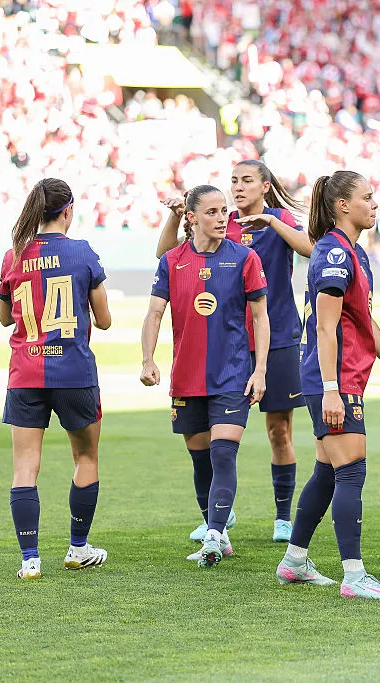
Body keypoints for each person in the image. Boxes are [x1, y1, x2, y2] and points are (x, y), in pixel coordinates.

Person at [276, 170, 380, 599]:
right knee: (351, 471)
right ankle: (354, 575)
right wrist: (330, 388)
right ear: (343, 205)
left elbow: (363, 320)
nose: (375, 204)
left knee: (327, 471)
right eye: (368, 197)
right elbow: (324, 328)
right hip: (333, 377)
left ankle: (295, 561)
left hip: (345, 375)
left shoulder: (354, 254)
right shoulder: (335, 254)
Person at [157, 160, 311, 544]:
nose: (238, 188)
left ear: (265, 186)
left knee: (279, 429)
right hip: (226, 344)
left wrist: (273, 224)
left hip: (277, 339)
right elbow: (165, 256)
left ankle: (282, 517)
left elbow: (311, 249)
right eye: (234, 181)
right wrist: (178, 218)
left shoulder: (280, 220)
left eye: (247, 181)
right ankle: (217, 515)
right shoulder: (223, 224)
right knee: (212, 438)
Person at [141, 184, 271, 568]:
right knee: (201, 461)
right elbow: (153, 314)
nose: (221, 218)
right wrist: (147, 359)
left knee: (222, 452)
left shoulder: (245, 258)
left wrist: (260, 369)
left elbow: (262, 318)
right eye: (212, 212)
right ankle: (218, 530)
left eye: (224, 211)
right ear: (192, 217)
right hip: (186, 377)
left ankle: (213, 534)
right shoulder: (172, 261)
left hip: (232, 376)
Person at [0, 178, 112, 580]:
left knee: (25, 467)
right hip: (73, 372)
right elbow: (104, 320)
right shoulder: (82, 253)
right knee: (86, 457)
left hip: (25, 371)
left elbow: (4, 317)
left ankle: (30, 558)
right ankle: (78, 548)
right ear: (68, 210)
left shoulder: (13, 256)